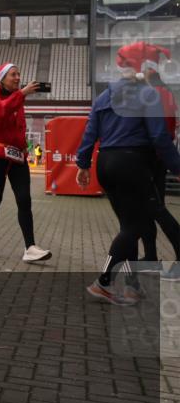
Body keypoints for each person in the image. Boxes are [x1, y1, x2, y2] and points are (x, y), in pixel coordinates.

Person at [76, 42, 180, 304]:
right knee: (135, 227)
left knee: (129, 226)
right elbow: (160, 137)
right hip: (133, 163)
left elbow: (90, 132)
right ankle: (104, 281)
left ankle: (132, 286)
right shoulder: (148, 94)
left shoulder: (104, 96)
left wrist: (83, 164)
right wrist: (177, 167)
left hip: (105, 164)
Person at [0, 63, 51, 263]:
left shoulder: (17, 98)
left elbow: (19, 128)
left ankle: (30, 247)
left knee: (24, 199)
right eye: (13, 75)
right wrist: (22, 94)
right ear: (2, 78)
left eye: (19, 74)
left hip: (18, 156)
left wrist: (24, 148)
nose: (18, 78)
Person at [133, 42, 180, 274]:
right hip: (156, 157)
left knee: (156, 209)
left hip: (152, 158)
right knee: (149, 210)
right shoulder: (165, 92)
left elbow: (161, 131)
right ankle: (150, 256)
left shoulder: (155, 93)